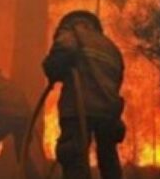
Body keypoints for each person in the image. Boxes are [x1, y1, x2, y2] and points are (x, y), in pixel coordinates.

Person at [43, 10, 125, 179]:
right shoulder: (111, 46)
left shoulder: (72, 34)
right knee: (109, 159)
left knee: (73, 156)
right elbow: (118, 79)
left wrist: (51, 70)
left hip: (78, 107)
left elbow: (58, 60)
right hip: (109, 112)